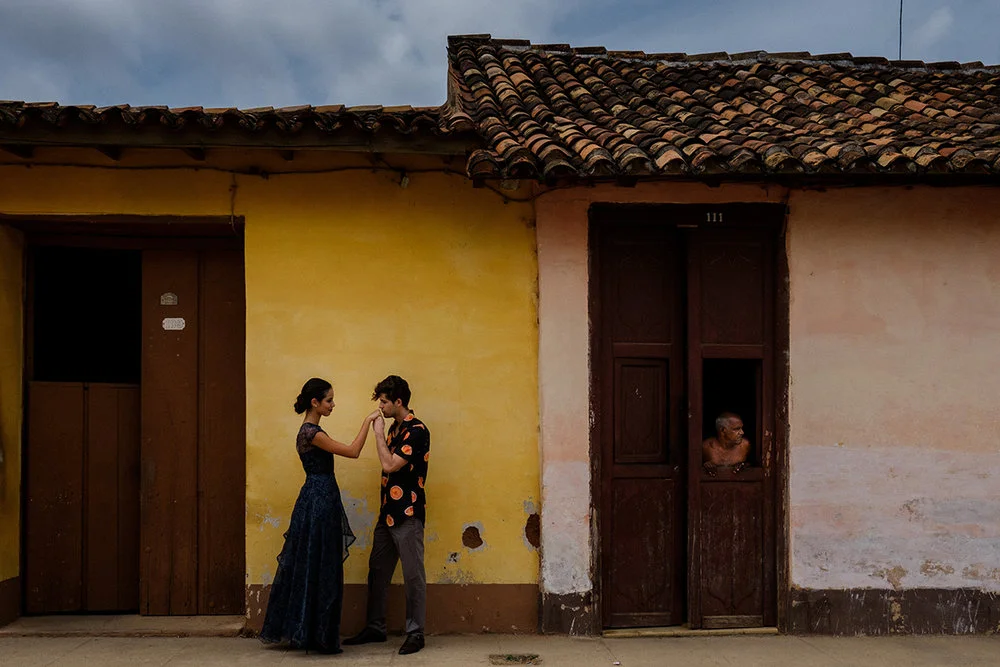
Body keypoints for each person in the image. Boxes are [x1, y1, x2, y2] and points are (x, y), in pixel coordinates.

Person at [259, 377, 380, 654]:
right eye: (329, 400)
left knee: (313, 561)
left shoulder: (310, 431)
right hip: (319, 500)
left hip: (316, 497)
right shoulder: (312, 433)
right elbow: (353, 451)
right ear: (315, 402)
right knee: (322, 563)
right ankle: (317, 634)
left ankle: (310, 630)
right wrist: (367, 422)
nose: (333, 404)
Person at [344, 375, 430, 656]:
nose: (380, 406)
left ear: (398, 402)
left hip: (408, 513)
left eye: (384, 401)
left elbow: (391, 464)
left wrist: (378, 434)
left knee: (413, 574)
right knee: (377, 571)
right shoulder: (395, 428)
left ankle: (416, 633)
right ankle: (375, 627)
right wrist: (383, 431)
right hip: (387, 513)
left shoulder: (417, 430)